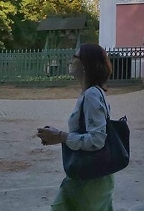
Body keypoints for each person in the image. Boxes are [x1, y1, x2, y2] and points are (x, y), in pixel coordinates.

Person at [37, 43, 115, 210]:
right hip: (90, 176)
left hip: (89, 179)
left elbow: (97, 140)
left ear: (87, 64)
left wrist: (60, 136)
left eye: (75, 57)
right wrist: (57, 138)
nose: (71, 60)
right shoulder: (91, 93)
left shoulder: (92, 95)